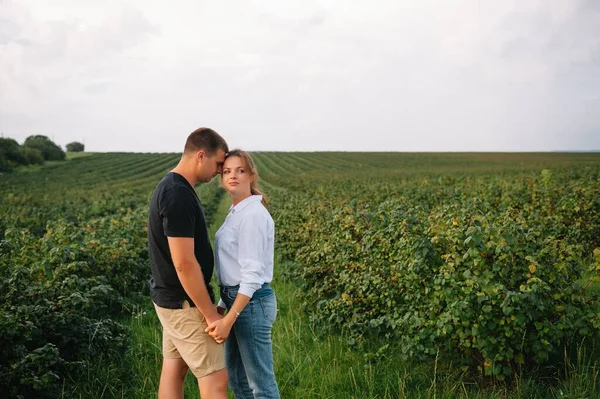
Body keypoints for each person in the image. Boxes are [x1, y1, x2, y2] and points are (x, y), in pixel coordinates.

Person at [147, 127, 229, 399]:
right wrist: (208, 313)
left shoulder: (172, 186)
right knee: (216, 380)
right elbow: (184, 262)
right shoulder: (177, 194)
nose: (220, 171)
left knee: (174, 372)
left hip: (169, 301)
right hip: (184, 304)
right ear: (201, 155)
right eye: (218, 163)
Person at [206, 149, 280, 399]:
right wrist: (221, 304)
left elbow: (250, 275)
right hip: (237, 301)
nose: (233, 176)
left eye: (239, 170)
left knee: (261, 385)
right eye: (227, 171)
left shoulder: (252, 215)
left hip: (251, 303)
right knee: (238, 381)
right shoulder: (237, 211)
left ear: (251, 175)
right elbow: (232, 266)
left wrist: (229, 319)